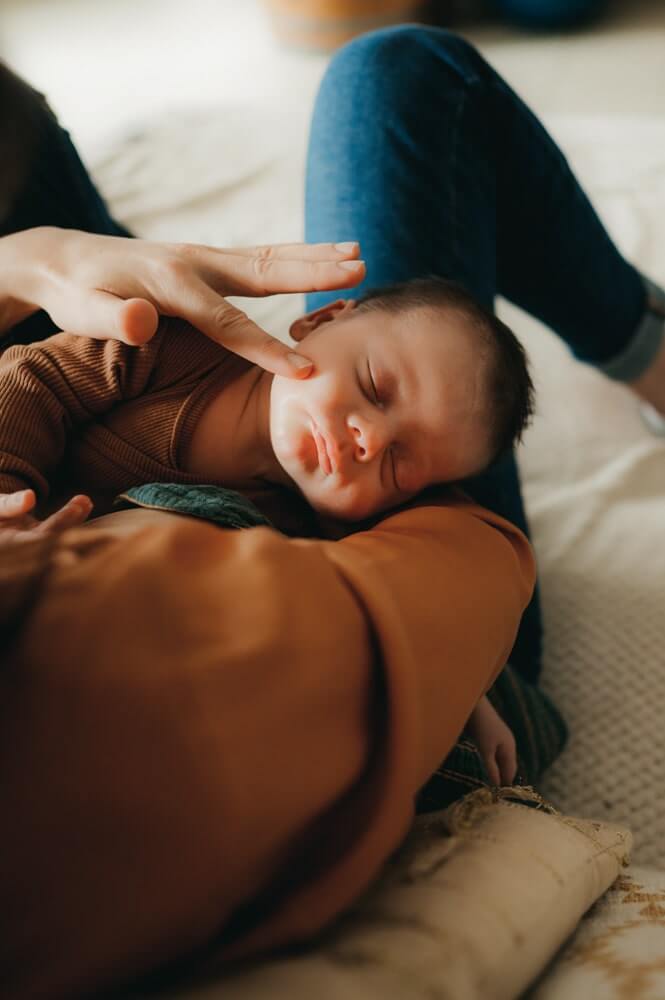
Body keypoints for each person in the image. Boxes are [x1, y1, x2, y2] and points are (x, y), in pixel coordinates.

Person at [0, 23, 663, 997]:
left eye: (399, 468)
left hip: (264, 532)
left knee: (401, 68)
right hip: (93, 481)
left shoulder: (323, 505)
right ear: (315, 318)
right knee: (405, 77)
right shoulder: (154, 340)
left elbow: (372, 559)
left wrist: (457, 676)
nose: (361, 443)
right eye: (373, 393)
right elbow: (31, 384)